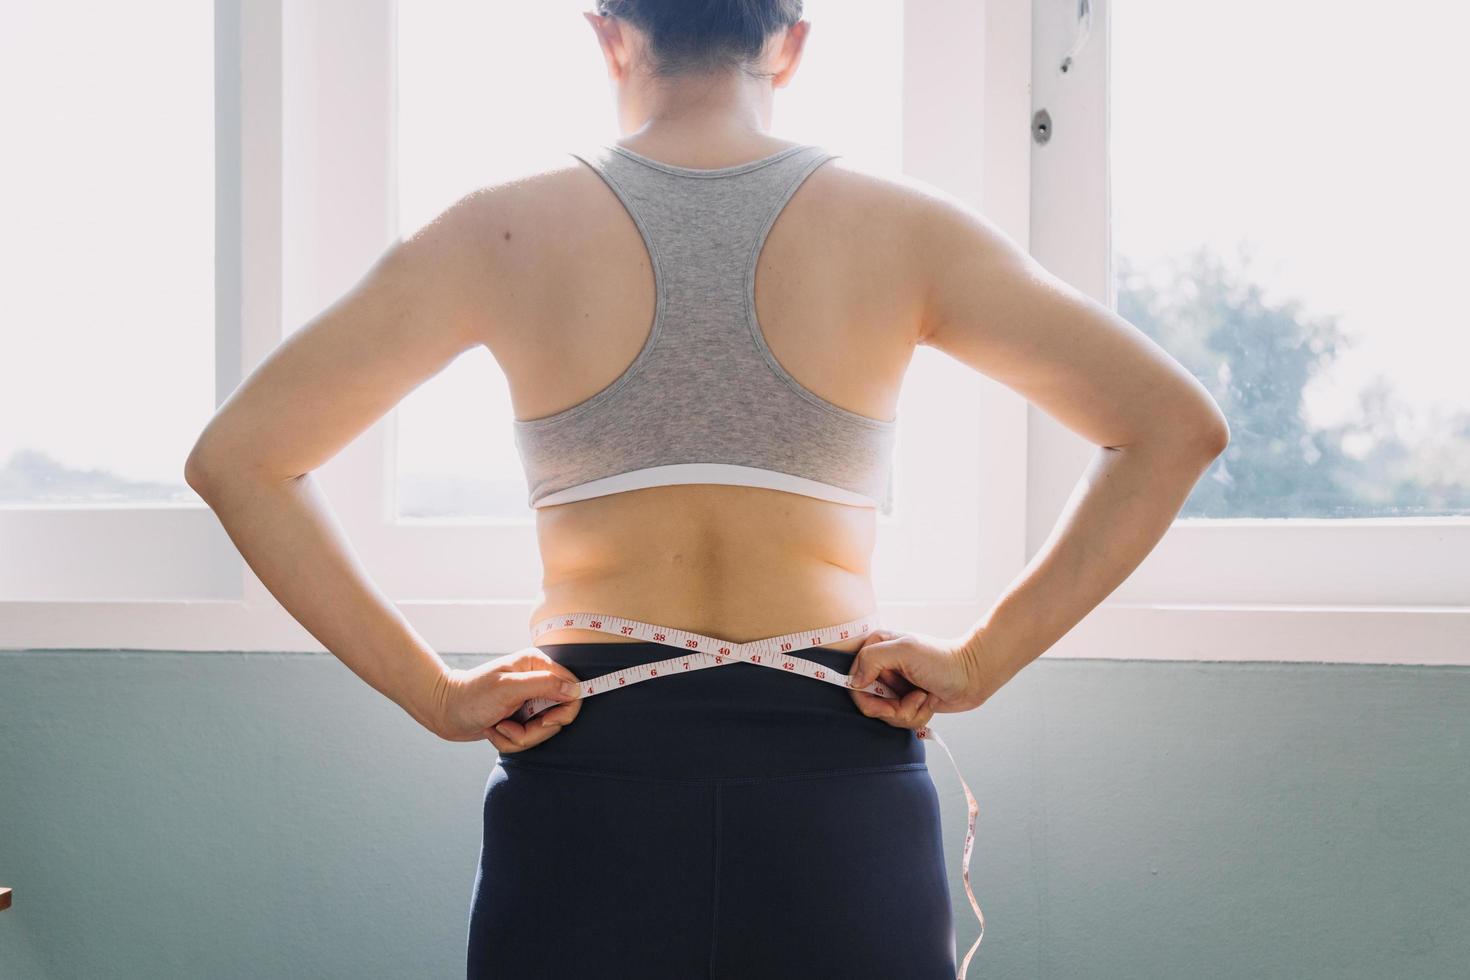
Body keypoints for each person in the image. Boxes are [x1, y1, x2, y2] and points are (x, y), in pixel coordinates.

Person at [184, 1, 1230, 977]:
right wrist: (978, 663)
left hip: (592, 771)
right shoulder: (904, 228)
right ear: (791, 43)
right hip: (840, 773)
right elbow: (1174, 427)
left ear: (609, 37)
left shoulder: (498, 230)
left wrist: (438, 694)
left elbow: (239, 458)